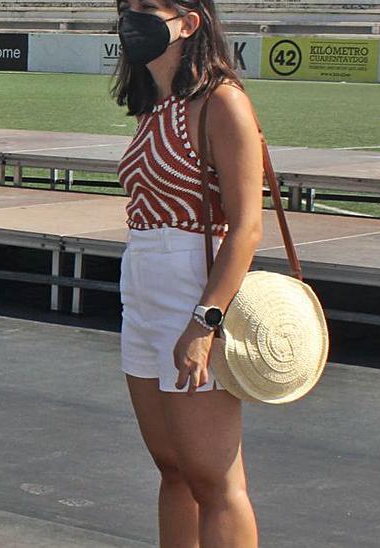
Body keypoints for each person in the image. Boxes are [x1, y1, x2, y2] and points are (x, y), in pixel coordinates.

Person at [112, 0, 264, 546]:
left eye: (145, 9)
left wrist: (205, 322)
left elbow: (247, 226)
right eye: (125, 9)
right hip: (145, 283)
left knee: (214, 478)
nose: (130, 20)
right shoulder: (154, 106)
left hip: (194, 286)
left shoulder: (221, 102)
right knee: (173, 469)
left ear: (188, 22)